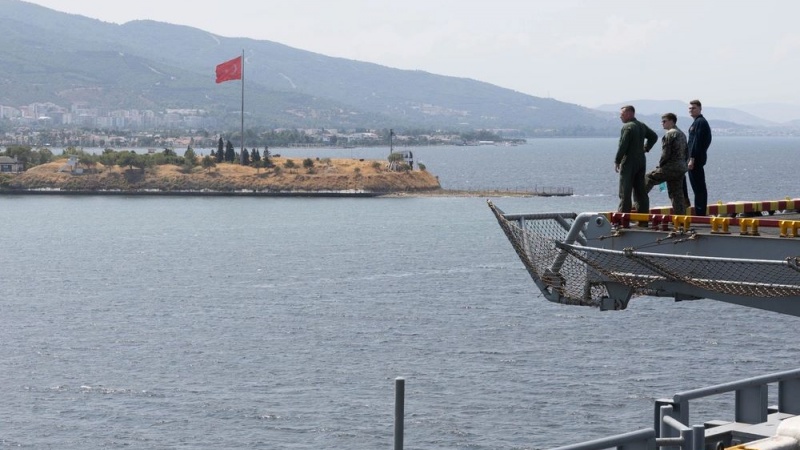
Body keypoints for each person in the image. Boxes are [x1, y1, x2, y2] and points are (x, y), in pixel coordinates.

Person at [614, 105, 658, 215]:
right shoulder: (641, 126)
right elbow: (654, 136)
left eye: (622, 114)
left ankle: (623, 220)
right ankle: (643, 220)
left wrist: (617, 160)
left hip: (629, 161)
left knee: (625, 191)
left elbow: (623, 146)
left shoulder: (628, 127)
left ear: (629, 114)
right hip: (641, 161)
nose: (620, 117)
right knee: (640, 191)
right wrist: (646, 148)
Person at [645, 113, 688, 215]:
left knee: (648, 178)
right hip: (681, 167)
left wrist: (661, 166)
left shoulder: (669, 134)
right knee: (676, 193)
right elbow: (687, 152)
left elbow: (666, 154)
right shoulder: (682, 134)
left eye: (664, 121)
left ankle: (639, 203)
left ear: (672, 121)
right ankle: (681, 219)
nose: (662, 123)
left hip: (670, 167)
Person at [683, 99, 712, 215]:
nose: (691, 110)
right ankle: (700, 212)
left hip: (695, 161)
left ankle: (700, 213)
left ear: (700, 109)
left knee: (698, 187)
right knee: (697, 187)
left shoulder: (700, 122)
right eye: (689, 108)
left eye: (694, 108)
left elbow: (697, 142)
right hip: (695, 159)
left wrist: (692, 159)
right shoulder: (697, 122)